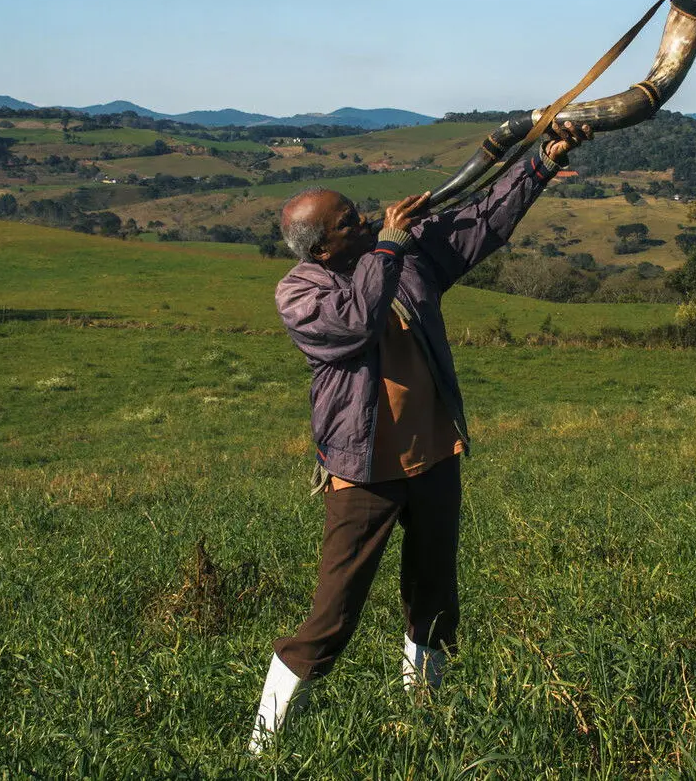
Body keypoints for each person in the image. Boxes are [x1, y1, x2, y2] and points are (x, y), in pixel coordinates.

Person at [248, 122, 591, 753]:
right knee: (333, 617)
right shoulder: (300, 291)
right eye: (349, 222)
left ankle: (425, 721)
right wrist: (387, 248)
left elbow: (482, 222)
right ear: (320, 249)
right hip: (364, 473)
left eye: (357, 214)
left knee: (433, 597)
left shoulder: (402, 256)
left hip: (433, 458)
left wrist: (539, 160)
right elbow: (357, 324)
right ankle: (261, 745)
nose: (365, 222)